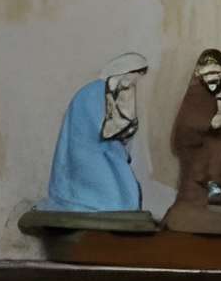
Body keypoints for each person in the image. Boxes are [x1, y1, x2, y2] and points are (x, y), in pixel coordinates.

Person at [162, 48, 221, 234]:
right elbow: (185, 127)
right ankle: (205, 191)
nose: (212, 78)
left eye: (216, 73)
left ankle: (220, 192)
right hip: (201, 149)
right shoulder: (197, 94)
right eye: (207, 74)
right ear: (199, 73)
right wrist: (206, 123)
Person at [40, 53, 151, 217]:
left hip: (104, 152)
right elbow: (102, 129)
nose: (134, 82)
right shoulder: (94, 91)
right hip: (87, 154)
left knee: (123, 192)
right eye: (134, 75)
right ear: (123, 72)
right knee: (114, 198)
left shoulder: (110, 92)